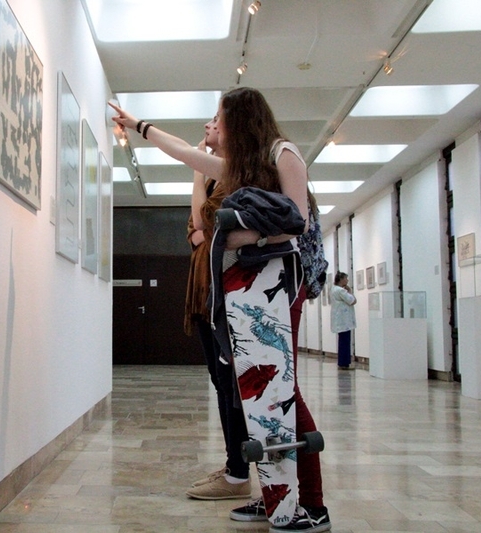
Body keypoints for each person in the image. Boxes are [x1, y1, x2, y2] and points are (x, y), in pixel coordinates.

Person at [110, 88, 331, 532]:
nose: (214, 124)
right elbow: (184, 153)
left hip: (281, 284)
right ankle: (274, 495)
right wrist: (139, 126)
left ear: (241, 120)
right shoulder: (241, 168)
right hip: (247, 288)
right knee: (255, 393)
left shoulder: (284, 154)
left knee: (282, 391)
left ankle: (312, 503)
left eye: (219, 116)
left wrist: (245, 237)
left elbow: (297, 222)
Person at [183, 117, 251, 501]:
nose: (207, 125)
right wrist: (201, 227)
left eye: (215, 121)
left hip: (220, 292)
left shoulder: (231, 177)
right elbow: (192, 233)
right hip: (204, 292)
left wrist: (197, 174)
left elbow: (202, 224)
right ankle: (233, 465)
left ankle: (238, 472)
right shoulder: (215, 181)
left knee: (229, 384)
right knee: (220, 383)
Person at [330, 272, 357, 369]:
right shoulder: (341, 290)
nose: (347, 280)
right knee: (345, 342)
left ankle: (343, 362)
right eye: (346, 278)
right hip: (344, 320)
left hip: (340, 320)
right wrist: (350, 291)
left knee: (342, 341)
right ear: (341, 279)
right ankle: (344, 363)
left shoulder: (333, 289)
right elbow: (352, 301)